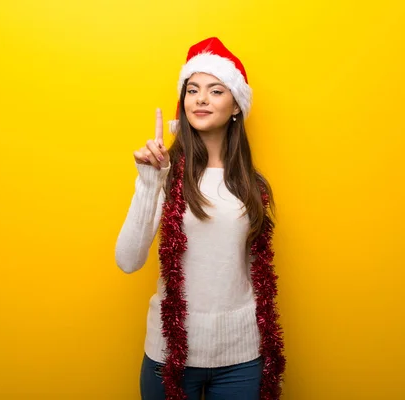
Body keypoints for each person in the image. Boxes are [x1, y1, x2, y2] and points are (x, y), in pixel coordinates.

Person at [115, 37, 286, 400]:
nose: (201, 99)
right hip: (170, 357)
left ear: (236, 105)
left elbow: (251, 271)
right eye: (192, 90)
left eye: (215, 90)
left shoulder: (252, 186)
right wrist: (149, 183)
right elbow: (128, 261)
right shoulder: (164, 172)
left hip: (241, 357)